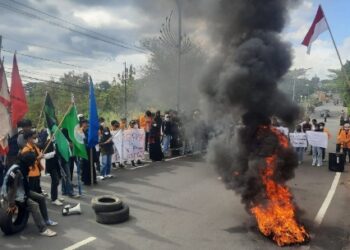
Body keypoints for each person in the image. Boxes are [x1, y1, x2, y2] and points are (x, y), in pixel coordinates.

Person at [1, 152, 57, 236]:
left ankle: (46, 220)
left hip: (22, 190)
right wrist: (11, 204)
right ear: (29, 162)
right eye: (33, 162)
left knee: (41, 198)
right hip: (14, 195)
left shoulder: (20, 166)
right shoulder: (18, 172)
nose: (33, 164)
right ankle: (43, 229)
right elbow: (12, 189)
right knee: (34, 205)